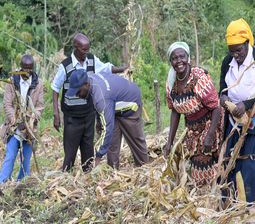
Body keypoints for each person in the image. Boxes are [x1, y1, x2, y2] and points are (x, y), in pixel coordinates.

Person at [219, 19, 255, 202]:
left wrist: (246, 104)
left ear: (247, 43)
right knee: (233, 164)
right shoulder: (227, 61)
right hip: (236, 122)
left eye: (240, 50)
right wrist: (224, 99)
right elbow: (222, 89)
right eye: (232, 50)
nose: (236, 55)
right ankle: (234, 202)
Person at [51, 33, 128, 172]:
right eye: (83, 50)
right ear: (76, 47)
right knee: (70, 152)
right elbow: (55, 89)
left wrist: (122, 69)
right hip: (72, 117)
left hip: (88, 114)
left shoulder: (91, 60)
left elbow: (106, 68)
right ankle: (66, 176)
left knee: (88, 150)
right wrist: (56, 114)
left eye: (87, 49)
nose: (86, 53)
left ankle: (87, 178)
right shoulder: (66, 66)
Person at [163, 42, 224, 185]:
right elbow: (175, 112)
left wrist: (210, 135)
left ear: (188, 57)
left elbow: (216, 107)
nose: (179, 61)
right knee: (198, 169)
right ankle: (205, 196)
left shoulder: (198, 77)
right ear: (170, 61)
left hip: (211, 124)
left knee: (212, 165)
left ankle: (216, 197)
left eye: (181, 57)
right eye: (174, 58)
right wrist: (169, 142)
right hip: (193, 130)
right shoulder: (172, 83)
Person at [66, 70, 148, 169]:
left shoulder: (101, 96)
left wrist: (98, 156)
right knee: (112, 144)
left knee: (136, 142)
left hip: (130, 103)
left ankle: (145, 168)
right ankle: (113, 173)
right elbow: (100, 107)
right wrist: (99, 121)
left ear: (86, 84)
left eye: (78, 91)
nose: (77, 95)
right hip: (113, 105)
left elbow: (107, 127)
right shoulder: (92, 79)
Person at [0, 55, 44, 183]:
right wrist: (14, 119)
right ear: (20, 67)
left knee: (26, 159)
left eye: (30, 69)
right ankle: (2, 183)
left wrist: (31, 119)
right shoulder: (12, 82)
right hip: (14, 127)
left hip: (30, 128)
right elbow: (7, 104)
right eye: (24, 69)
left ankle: (22, 184)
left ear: (33, 68)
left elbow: (40, 106)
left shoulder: (38, 83)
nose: (27, 73)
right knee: (10, 156)